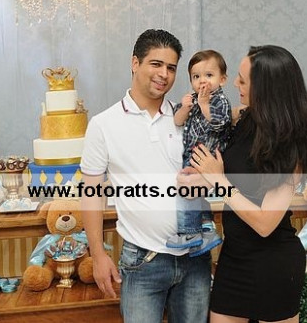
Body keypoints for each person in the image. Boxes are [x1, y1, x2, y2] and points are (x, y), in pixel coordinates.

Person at [180, 45, 307, 323]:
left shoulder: (291, 144)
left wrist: (218, 181)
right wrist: (200, 179)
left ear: (266, 89)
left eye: (243, 81)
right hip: (234, 257)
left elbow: (265, 223)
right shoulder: (243, 119)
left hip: (273, 265)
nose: (234, 83)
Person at [80, 29, 211, 323]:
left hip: (195, 259)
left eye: (171, 68)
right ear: (135, 63)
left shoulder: (188, 118)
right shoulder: (103, 124)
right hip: (143, 262)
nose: (164, 74)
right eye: (156, 64)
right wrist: (97, 255)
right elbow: (91, 193)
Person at [166, 50, 231, 256]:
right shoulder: (191, 100)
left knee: (186, 192)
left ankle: (189, 232)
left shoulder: (220, 100)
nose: (202, 81)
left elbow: (220, 123)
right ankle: (207, 228)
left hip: (207, 157)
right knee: (198, 195)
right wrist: (185, 108)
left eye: (209, 75)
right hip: (191, 155)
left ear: (222, 79)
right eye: (196, 76)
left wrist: (203, 105)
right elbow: (177, 121)